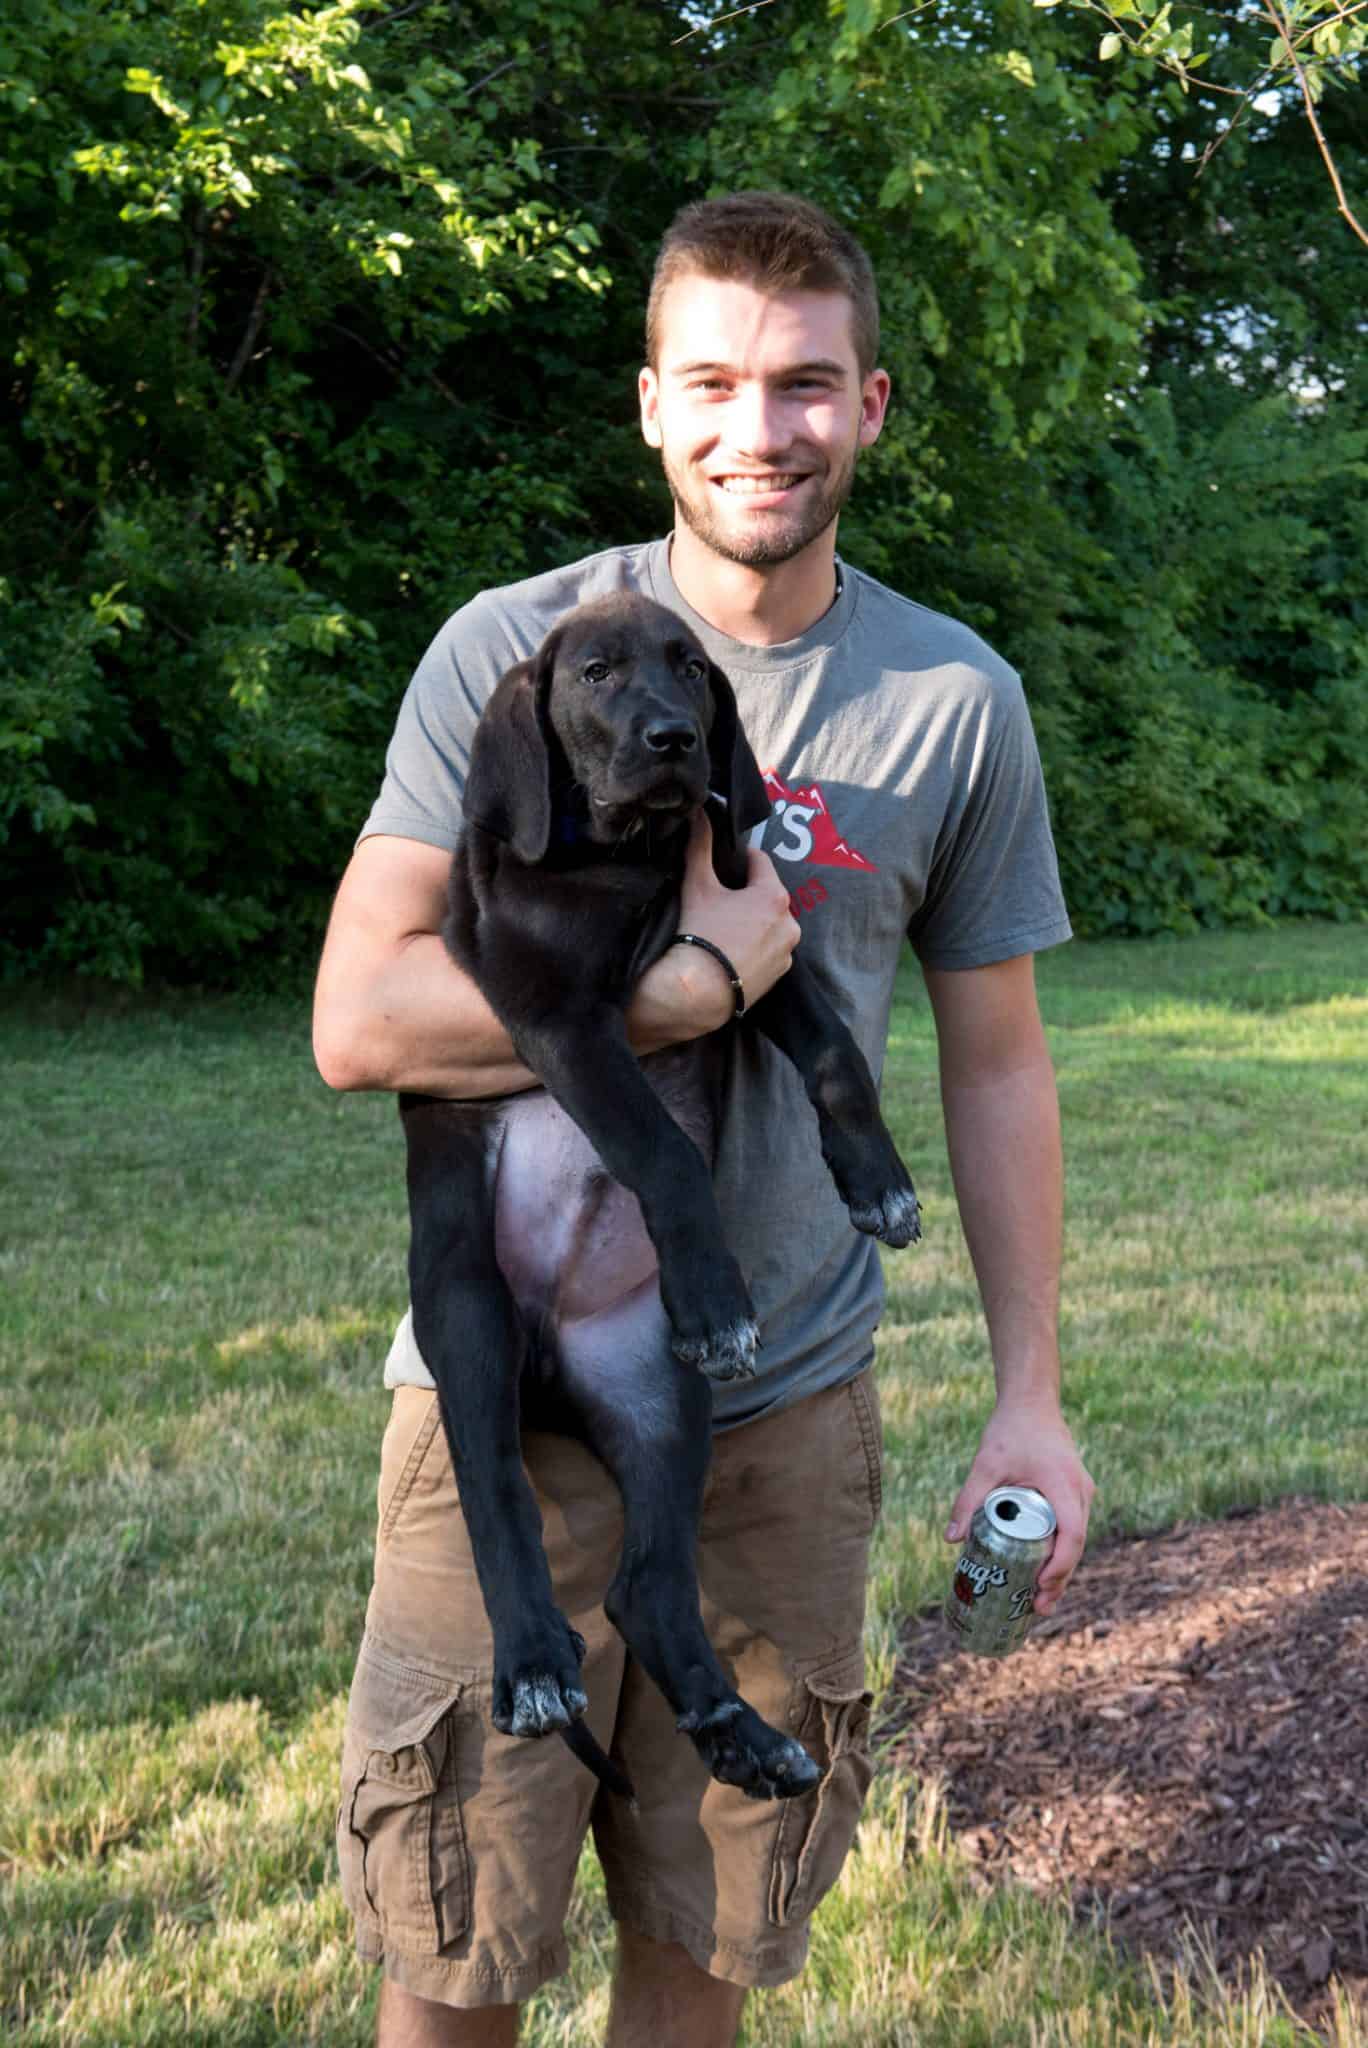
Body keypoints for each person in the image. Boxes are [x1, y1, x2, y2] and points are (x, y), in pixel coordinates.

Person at [312, 189, 1095, 2048]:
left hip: (783, 1418)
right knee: (453, 1948)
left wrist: (1033, 1394)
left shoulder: (951, 702)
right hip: (497, 1422)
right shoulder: (508, 650)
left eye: (809, 384)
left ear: (874, 407)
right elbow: (361, 1019)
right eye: (720, 382)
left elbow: (996, 1065)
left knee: (712, 1935)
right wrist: (683, 989)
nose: (767, 427)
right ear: (653, 406)